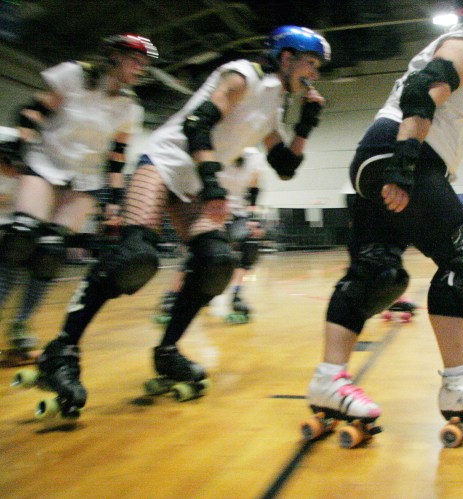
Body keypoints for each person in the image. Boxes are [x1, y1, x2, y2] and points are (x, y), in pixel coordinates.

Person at [34, 25, 330, 418]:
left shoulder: (273, 106)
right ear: (286, 58)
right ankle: (62, 350)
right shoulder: (242, 75)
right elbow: (197, 125)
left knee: (217, 262)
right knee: (135, 258)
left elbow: (285, 166)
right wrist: (212, 186)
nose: (314, 74)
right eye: (310, 63)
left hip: (190, 181)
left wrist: (306, 125)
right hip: (162, 164)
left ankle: (167, 350)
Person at [305, 0, 463, 447]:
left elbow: (445, 110)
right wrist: (404, 165)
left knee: (377, 271)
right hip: (401, 154)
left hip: (381, 154)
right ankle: (460, 385)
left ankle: (328, 379)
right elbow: (422, 90)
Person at [0, 34, 156, 365]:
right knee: (20, 239)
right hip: (44, 163)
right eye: (135, 59)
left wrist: (114, 202)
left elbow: (117, 156)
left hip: (84, 180)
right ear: (113, 55)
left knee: (50, 253)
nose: (140, 68)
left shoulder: (130, 107)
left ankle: (20, 327)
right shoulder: (74, 75)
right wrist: (17, 146)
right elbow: (34, 110)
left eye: (144, 64)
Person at [155, 147, 267, 325]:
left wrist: (253, 219)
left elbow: (254, 189)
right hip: (209, 210)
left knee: (250, 245)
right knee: (200, 253)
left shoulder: (254, 156)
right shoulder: (215, 147)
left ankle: (237, 296)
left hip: (236, 213)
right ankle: (171, 296)